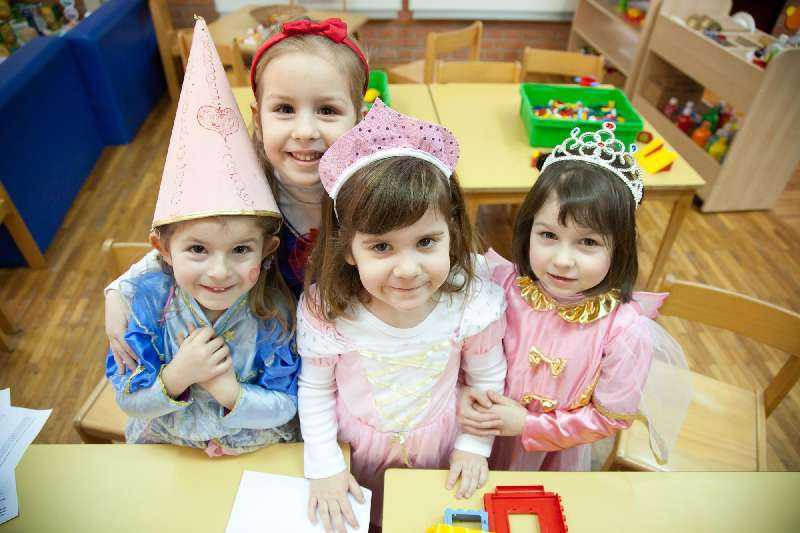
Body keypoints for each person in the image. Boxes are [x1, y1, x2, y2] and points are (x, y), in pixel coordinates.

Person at [105, 17, 370, 371]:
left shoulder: (370, 194)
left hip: (349, 349)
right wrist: (120, 290)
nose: (305, 131)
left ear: (359, 120)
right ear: (258, 119)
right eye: (285, 110)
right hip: (265, 354)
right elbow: (186, 242)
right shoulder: (237, 187)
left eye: (327, 110)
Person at [298, 101, 507, 532]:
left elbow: (486, 379)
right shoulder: (329, 311)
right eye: (381, 247)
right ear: (348, 249)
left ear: (451, 232)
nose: (408, 269)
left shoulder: (471, 303)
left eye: (426, 242)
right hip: (355, 451)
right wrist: (325, 464)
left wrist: (473, 445)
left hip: (441, 449)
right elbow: (316, 389)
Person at [106, 18, 299, 456]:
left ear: (268, 250)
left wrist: (231, 392)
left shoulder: (275, 312)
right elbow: (128, 399)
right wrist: (178, 376)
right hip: (167, 448)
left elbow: (288, 405)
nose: (219, 271)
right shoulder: (147, 306)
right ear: (163, 250)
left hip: (253, 451)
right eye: (197, 249)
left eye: (241, 250)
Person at [459, 122, 690, 472]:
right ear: (528, 229)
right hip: (476, 439)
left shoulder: (624, 332)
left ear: (620, 248)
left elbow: (609, 417)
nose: (563, 260)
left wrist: (528, 425)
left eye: (588, 242)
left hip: (551, 455)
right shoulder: (500, 284)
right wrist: (463, 395)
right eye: (548, 235)